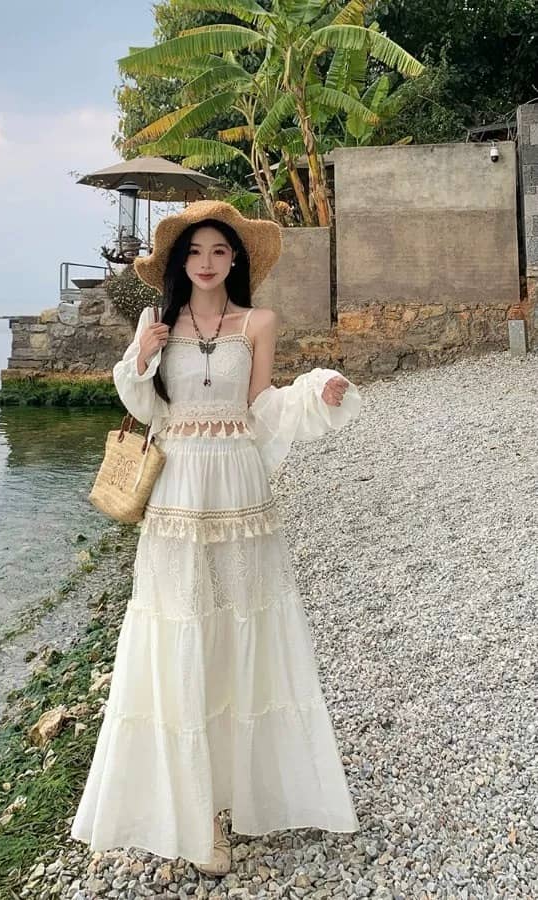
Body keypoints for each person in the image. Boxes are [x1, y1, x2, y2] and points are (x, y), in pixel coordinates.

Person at [70, 200, 362, 877]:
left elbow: (261, 406)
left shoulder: (258, 322)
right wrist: (140, 359)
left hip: (238, 491)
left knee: (239, 630)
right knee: (183, 631)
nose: (206, 262)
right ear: (179, 262)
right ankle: (196, 816)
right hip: (176, 491)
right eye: (194, 251)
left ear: (235, 260)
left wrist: (317, 390)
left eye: (219, 251)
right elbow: (145, 407)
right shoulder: (156, 320)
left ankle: (245, 791)